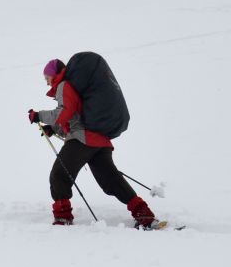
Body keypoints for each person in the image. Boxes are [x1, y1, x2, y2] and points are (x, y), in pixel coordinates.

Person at [29, 58, 158, 227]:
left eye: (47, 77)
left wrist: (39, 115)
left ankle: (63, 217)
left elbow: (64, 112)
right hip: (100, 141)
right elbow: (74, 119)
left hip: (84, 140)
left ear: (54, 75)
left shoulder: (63, 85)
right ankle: (143, 213)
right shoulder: (74, 88)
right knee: (110, 180)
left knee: (59, 174)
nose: (46, 82)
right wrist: (53, 129)